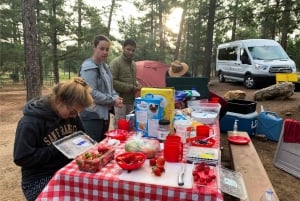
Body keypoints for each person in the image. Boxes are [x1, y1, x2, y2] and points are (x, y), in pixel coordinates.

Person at [13, 77, 94, 201]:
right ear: (60, 100)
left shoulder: (71, 115)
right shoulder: (30, 122)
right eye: (72, 111)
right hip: (38, 179)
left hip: (66, 170)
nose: (74, 115)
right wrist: (59, 147)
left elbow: (80, 136)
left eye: (77, 112)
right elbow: (22, 158)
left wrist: (85, 143)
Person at [79, 34, 123, 142]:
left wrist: (116, 97)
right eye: (102, 49)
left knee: (101, 146)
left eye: (107, 49)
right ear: (94, 48)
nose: (105, 52)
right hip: (92, 116)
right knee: (91, 148)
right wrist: (112, 100)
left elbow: (110, 88)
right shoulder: (88, 67)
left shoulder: (104, 66)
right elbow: (91, 92)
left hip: (104, 115)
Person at [110, 38, 141, 128]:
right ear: (123, 48)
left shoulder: (134, 64)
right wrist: (131, 88)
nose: (131, 52)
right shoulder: (116, 63)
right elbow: (112, 82)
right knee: (120, 127)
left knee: (130, 126)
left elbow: (131, 79)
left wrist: (136, 84)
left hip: (131, 101)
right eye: (128, 49)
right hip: (119, 102)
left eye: (133, 50)